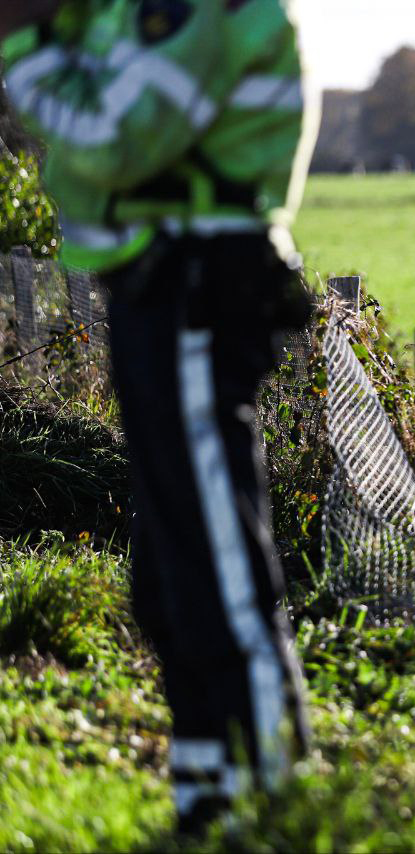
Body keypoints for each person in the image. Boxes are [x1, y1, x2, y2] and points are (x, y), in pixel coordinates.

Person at [1, 0, 318, 833]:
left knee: (212, 553)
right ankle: (209, 795)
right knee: (168, 565)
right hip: (157, 286)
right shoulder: (126, 14)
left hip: (199, 285)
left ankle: (275, 796)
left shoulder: (200, 12)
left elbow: (107, 143)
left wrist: (25, 46)